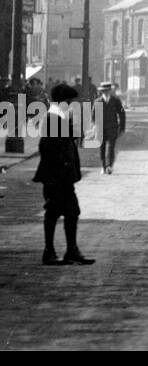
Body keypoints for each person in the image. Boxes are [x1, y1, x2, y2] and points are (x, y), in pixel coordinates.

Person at [33, 83, 94, 266]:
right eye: (69, 101)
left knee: (72, 212)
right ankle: (50, 252)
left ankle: (71, 251)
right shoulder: (53, 118)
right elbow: (47, 148)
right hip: (56, 177)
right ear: (62, 101)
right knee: (53, 213)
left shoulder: (59, 117)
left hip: (64, 177)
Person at [93, 81, 127, 175]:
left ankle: (109, 166)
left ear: (110, 91)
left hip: (112, 128)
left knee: (111, 148)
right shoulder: (97, 102)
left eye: (107, 91)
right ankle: (103, 166)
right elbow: (93, 116)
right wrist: (95, 127)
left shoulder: (116, 101)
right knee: (102, 148)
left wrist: (122, 128)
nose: (105, 93)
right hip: (101, 129)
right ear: (101, 92)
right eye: (103, 91)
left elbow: (122, 113)